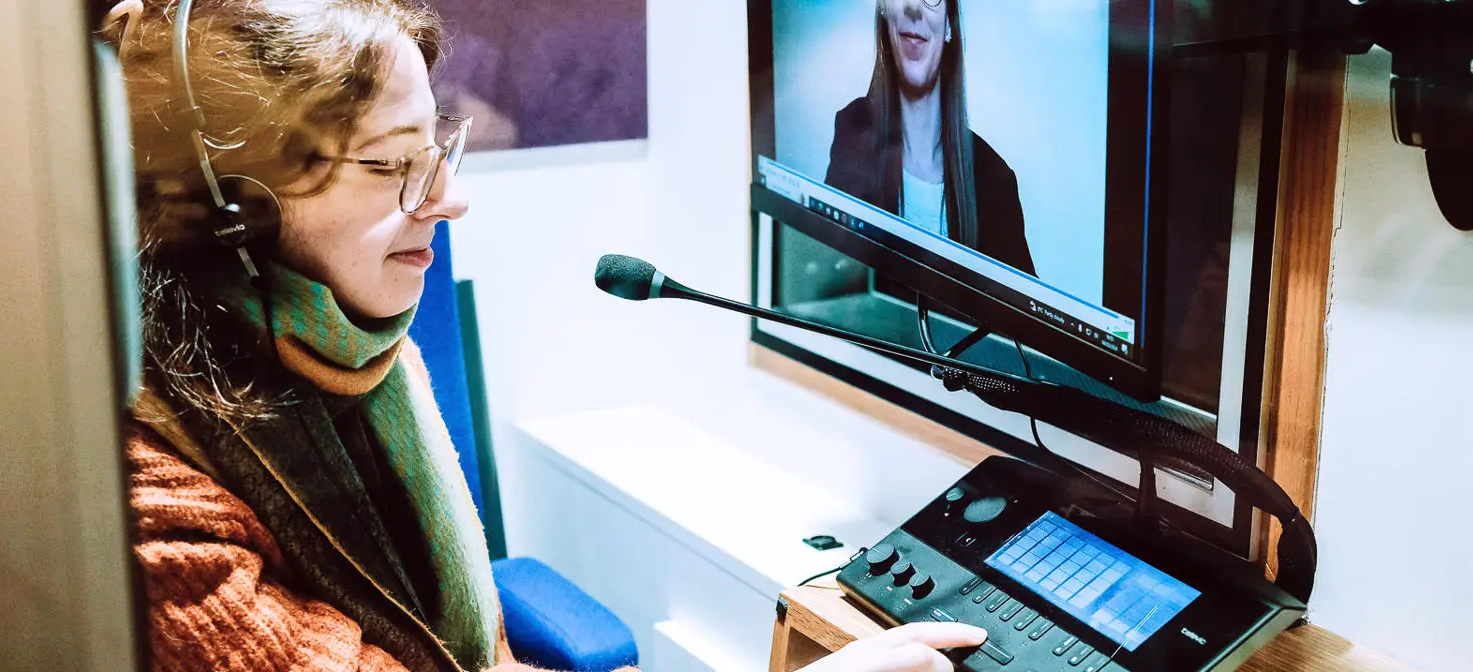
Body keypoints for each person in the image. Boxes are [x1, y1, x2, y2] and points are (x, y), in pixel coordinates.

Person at [99, 0, 987, 669]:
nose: (451, 197)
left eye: (436, 148)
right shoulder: (149, 514)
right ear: (231, 214)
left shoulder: (348, 347)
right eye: (390, 164)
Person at [825, 0, 1034, 276]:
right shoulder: (854, 130)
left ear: (948, 25)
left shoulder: (994, 179)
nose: (914, 7)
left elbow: (1020, 316)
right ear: (886, 14)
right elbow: (827, 278)